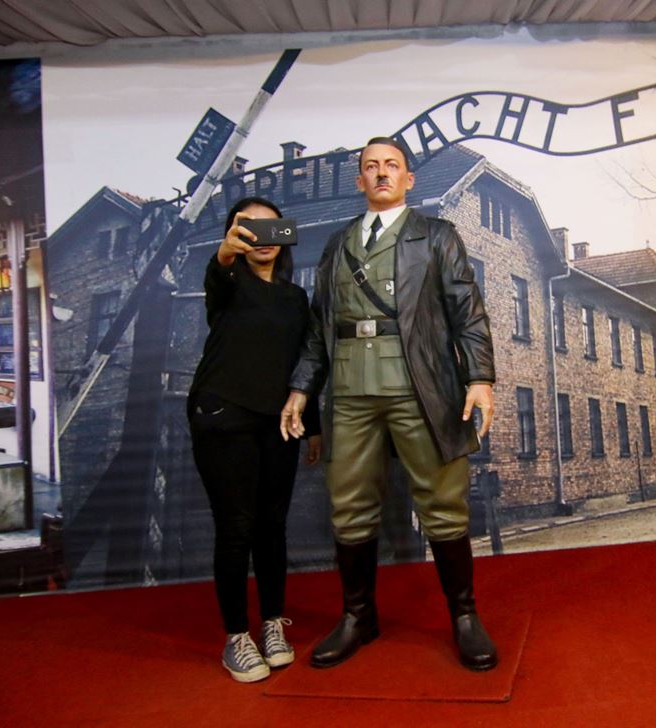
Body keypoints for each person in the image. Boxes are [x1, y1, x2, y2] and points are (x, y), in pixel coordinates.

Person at [280, 137, 498, 671]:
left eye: (391, 166)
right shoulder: (336, 245)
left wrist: (480, 377)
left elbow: (466, 310)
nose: (381, 174)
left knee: (443, 503)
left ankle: (465, 617)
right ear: (359, 181)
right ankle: (359, 616)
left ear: (408, 179)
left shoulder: (437, 236)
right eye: (371, 167)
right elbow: (318, 326)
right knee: (349, 506)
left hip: (418, 383)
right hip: (351, 390)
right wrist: (303, 387)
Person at [188, 196, 321, 683]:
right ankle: (235, 636)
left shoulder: (294, 297)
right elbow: (218, 270)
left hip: (278, 421)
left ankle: (271, 624)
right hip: (223, 414)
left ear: (284, 235)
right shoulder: (226, 281)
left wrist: (315, 425)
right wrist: (225, 253)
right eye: (249, 230)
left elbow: (303, 364)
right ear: (235, 236)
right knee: (236, 526)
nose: (261, 239)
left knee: (272, 526)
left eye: (271, 229)